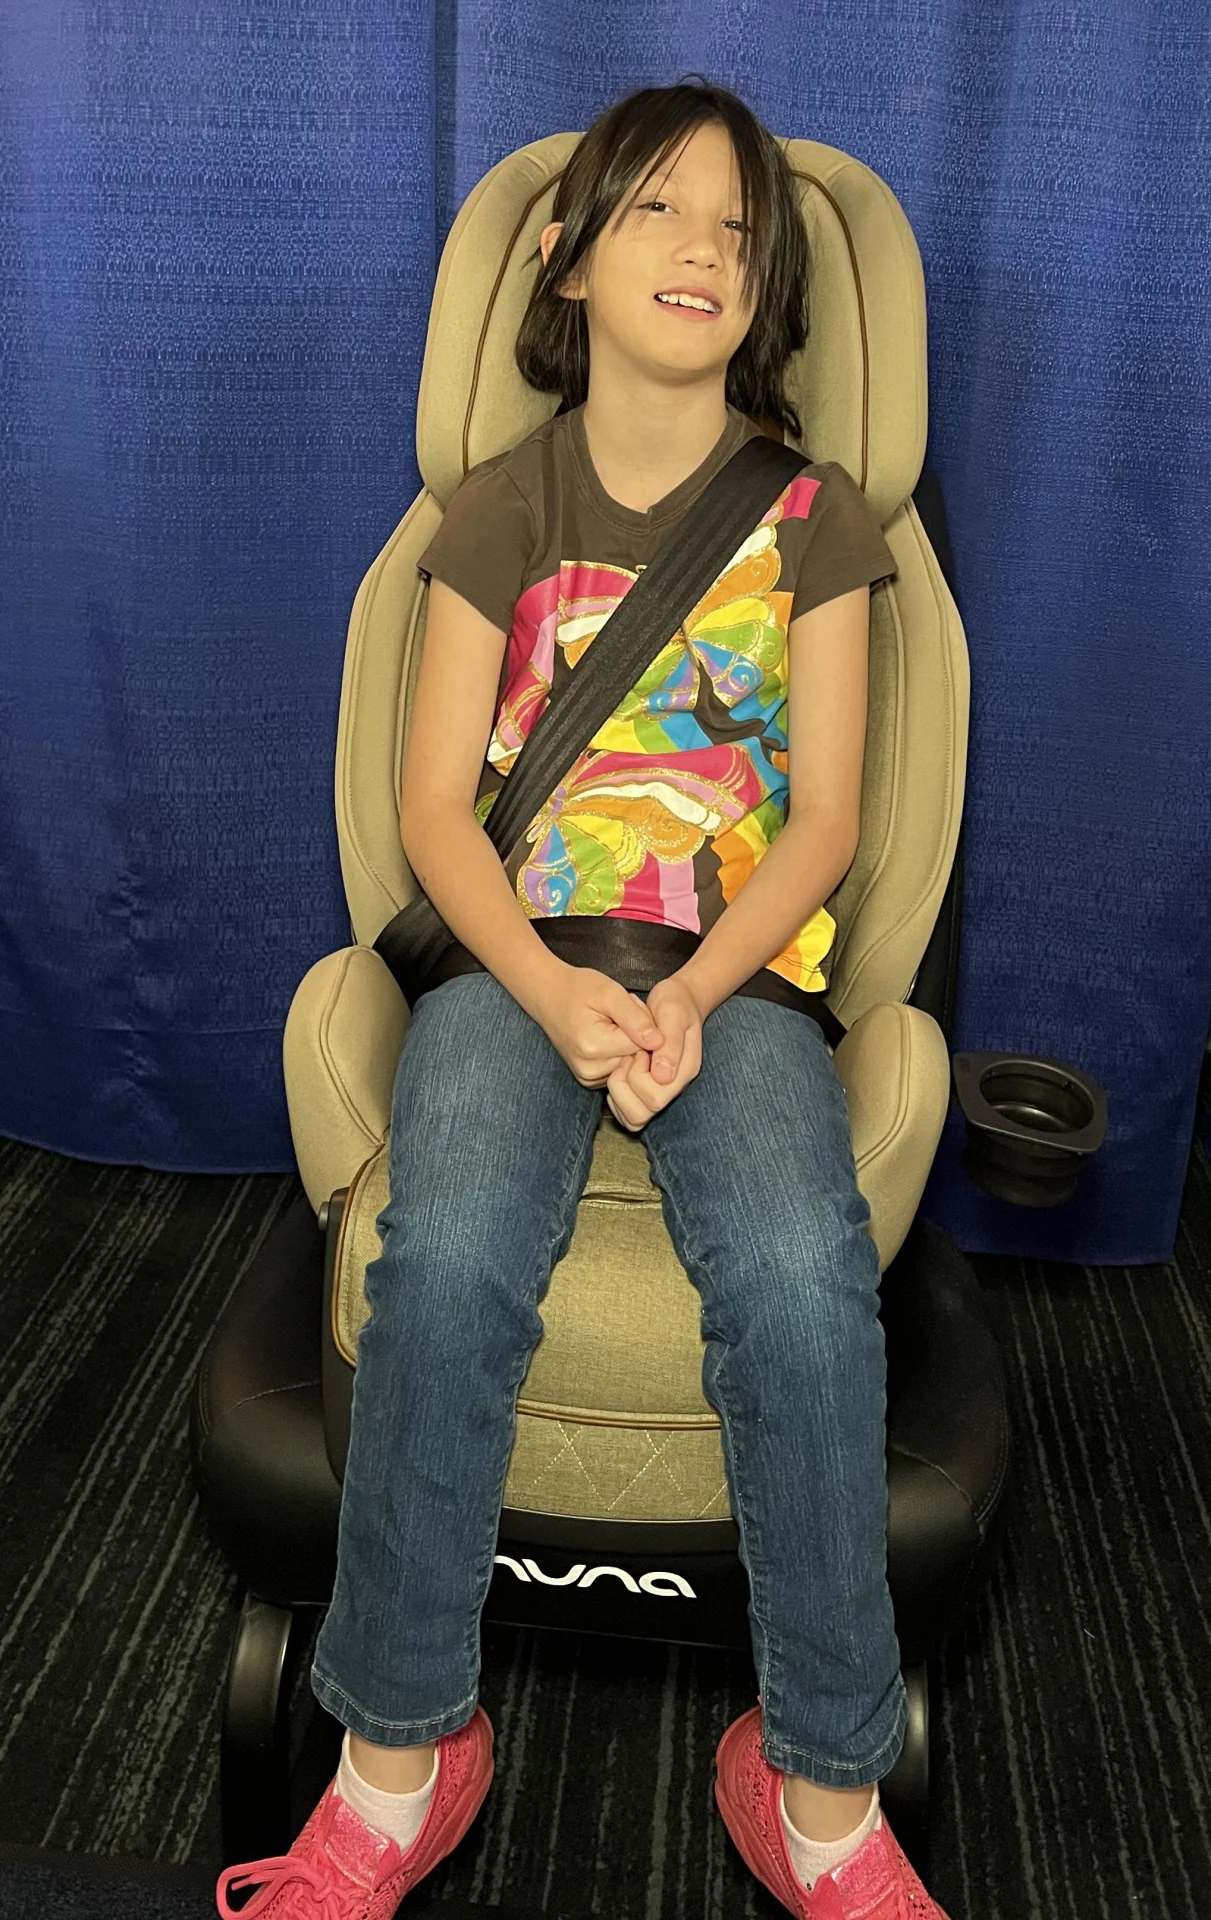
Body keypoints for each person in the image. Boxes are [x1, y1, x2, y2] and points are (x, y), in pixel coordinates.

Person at [216, 76, 953, 1920]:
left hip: (735, 996)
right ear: (564, 259)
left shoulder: (820, 520)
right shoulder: (493, 507)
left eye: (736, 226)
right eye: (657, 213)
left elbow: (831, 824)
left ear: (769, 281)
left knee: (799, 1284)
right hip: (516, 972)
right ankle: (398, 1758)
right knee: (448, 1260)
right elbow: (428, 817)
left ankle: (823, 1791)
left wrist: (698, 991)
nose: (702, 248)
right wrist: (549, 995)